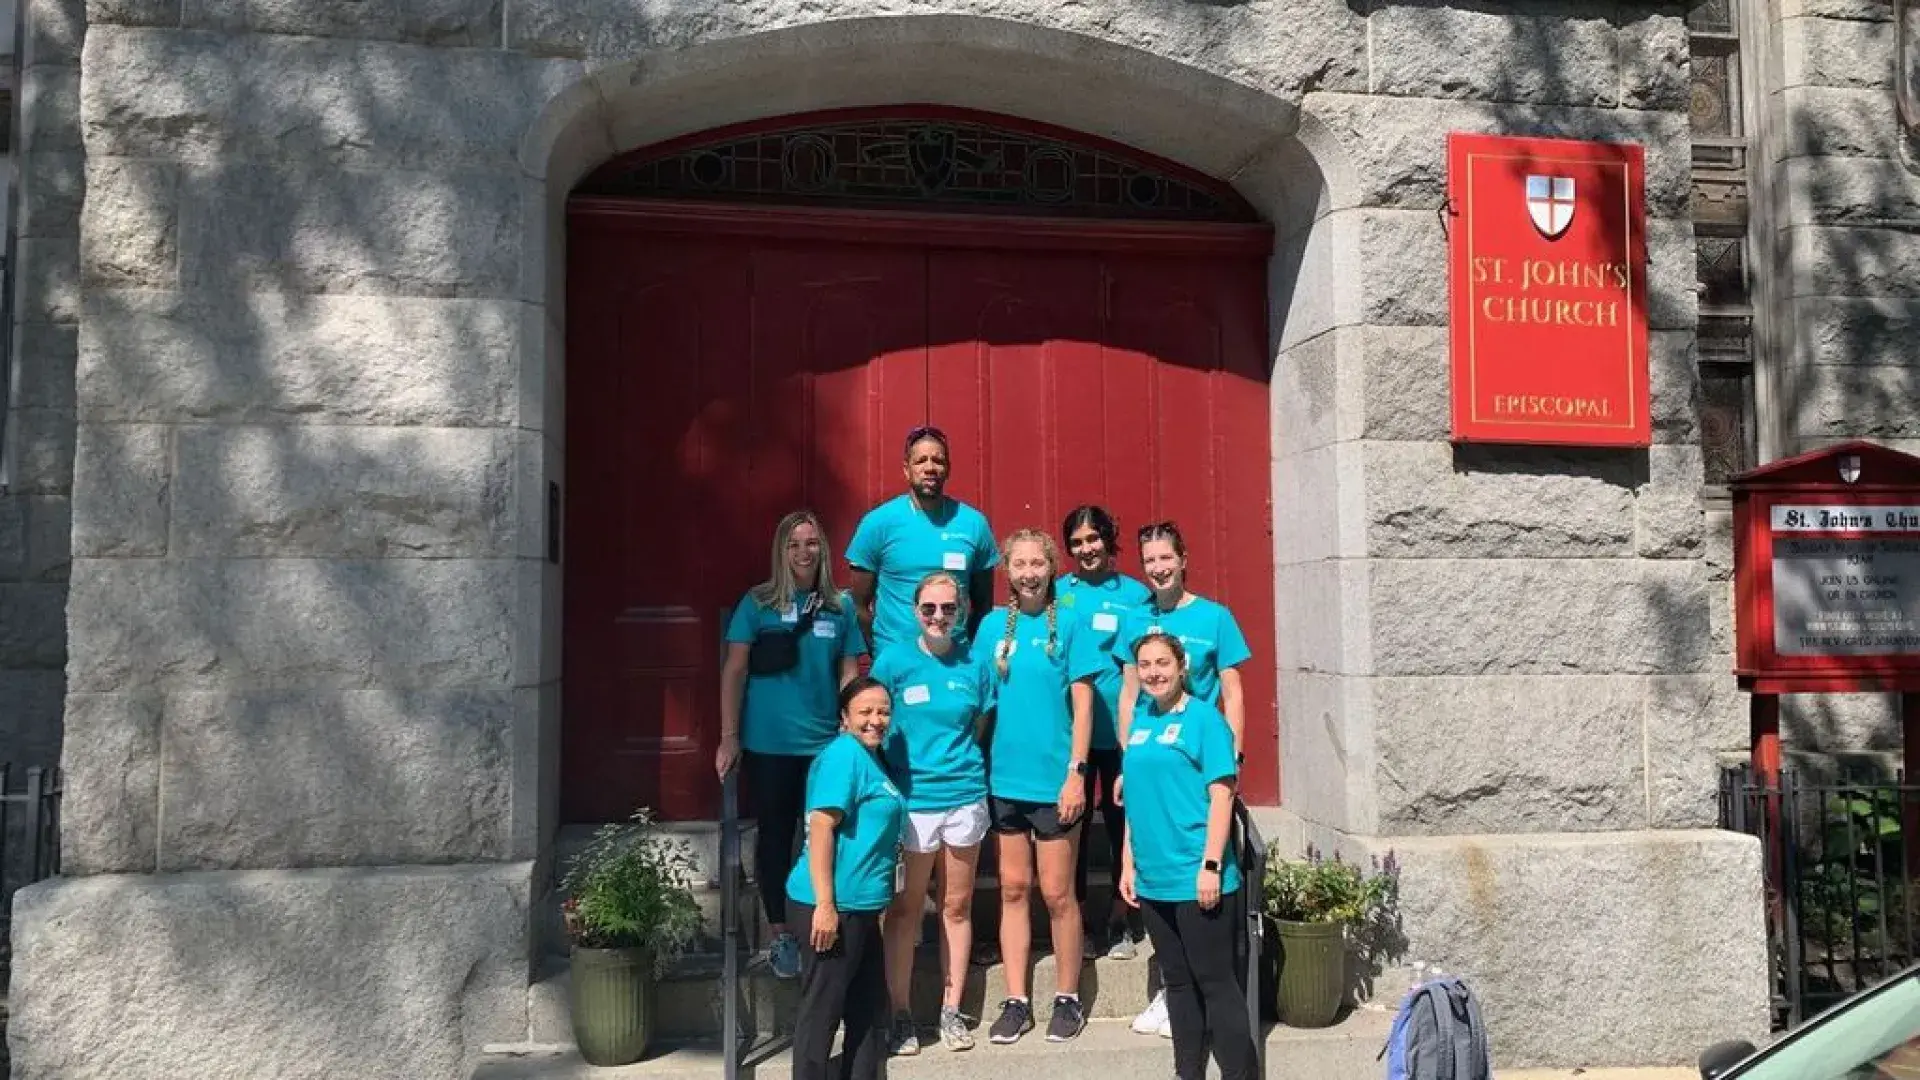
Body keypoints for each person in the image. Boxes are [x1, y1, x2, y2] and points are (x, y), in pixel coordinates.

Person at [717, 511, 869, 979]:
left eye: (812, 543)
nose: (804, 552)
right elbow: (735, 670)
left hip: (823, 743)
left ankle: (822, 919)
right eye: (794, 545)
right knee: (776, 836)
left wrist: (851, 734)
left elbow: (848, 673)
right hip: (770, 744)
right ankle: (781, 931)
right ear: (781, 552)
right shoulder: (758, 603)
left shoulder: (838, 606)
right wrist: (729, 736)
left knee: (823, 832)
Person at [1114, 520, 1251, 1037]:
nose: (1157, 568)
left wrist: (1232, 755)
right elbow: (1128, 695)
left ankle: (1213, 1001)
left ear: (1183, 558)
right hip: (1154, 761)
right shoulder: (1136, 621)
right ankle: (1171, 998)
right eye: (1148, 561)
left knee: (1203, 879)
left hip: (1200, 763)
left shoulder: (1215, 617)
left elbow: (1233, 690)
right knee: (1157, 878)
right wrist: (1133, 757)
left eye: (1165, 558)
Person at [982, 529, 1105, 1045]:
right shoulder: (992, 626)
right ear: (1007, 570)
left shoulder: (1071, 624)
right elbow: (980, 706)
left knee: (1057, 893)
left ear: (1051, 568)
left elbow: (1082, 706)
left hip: (1056, 785)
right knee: (1013, 889)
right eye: (1020, 564)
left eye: (1038, 563)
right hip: (1004, 781)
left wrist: (1077, 773)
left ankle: (1067, 997)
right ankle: (1015, 999)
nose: (1029, 572)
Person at [1116, 632, 1257, 1080]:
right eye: (1145, 665)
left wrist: (1212, 864)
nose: (1153, 673)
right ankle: (1187, 1072)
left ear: (1182, 667)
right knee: (1176, 983)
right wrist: (1127, 862)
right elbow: (1135, 800)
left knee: (1216, 985)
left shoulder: (1204, 721)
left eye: (1162, 663)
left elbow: (1222, 795)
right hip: (1153, 879)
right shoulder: (1140, 720)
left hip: (1197, 876)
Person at [874, 572, 995, 1055]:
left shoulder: (976, 663)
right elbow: (872, 720)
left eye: (948, 608)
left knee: (956, 906)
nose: (939, 617)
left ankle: (951, 1009)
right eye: (930, 609)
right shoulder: (894, 662)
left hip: (965, 796)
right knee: (905, 909)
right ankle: (900, 1013)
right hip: (913, 802)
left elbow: (981, 723)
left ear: (961, 610)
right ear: (914, 610)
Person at [787, 676, 909, 1080]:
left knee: (867, 1009)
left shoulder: (871, 756)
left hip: (862, 906)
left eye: (883, 711)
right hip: (832, 906)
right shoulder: (844, 756)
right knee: (822, 1013)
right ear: (844, 717)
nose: (876, 720)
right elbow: (821, 826)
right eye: (865, 712)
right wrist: (825, 905)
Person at [1057, 505, 1153, 963]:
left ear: (1108, 541)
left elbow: (1141, 664)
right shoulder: (1059, 595)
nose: (1086, 549)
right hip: (1071, 734)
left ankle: (1119, 916)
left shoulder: (1134, 595)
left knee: (1119, 825)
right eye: (1076, 542)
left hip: (1119, 734)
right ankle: (1076, 918)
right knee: (1069, 826)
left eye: (1093, 539)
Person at [847, 425, 998, 656]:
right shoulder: (878, 523)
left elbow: (983, 606)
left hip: (955, 661)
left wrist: (966, 651)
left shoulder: (973, 524)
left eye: (938, 461)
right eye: (921, 461)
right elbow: (858, 606)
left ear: (947, 469)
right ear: (907, 470)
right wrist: (881, 652)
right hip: (895, 660)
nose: (930, 468)